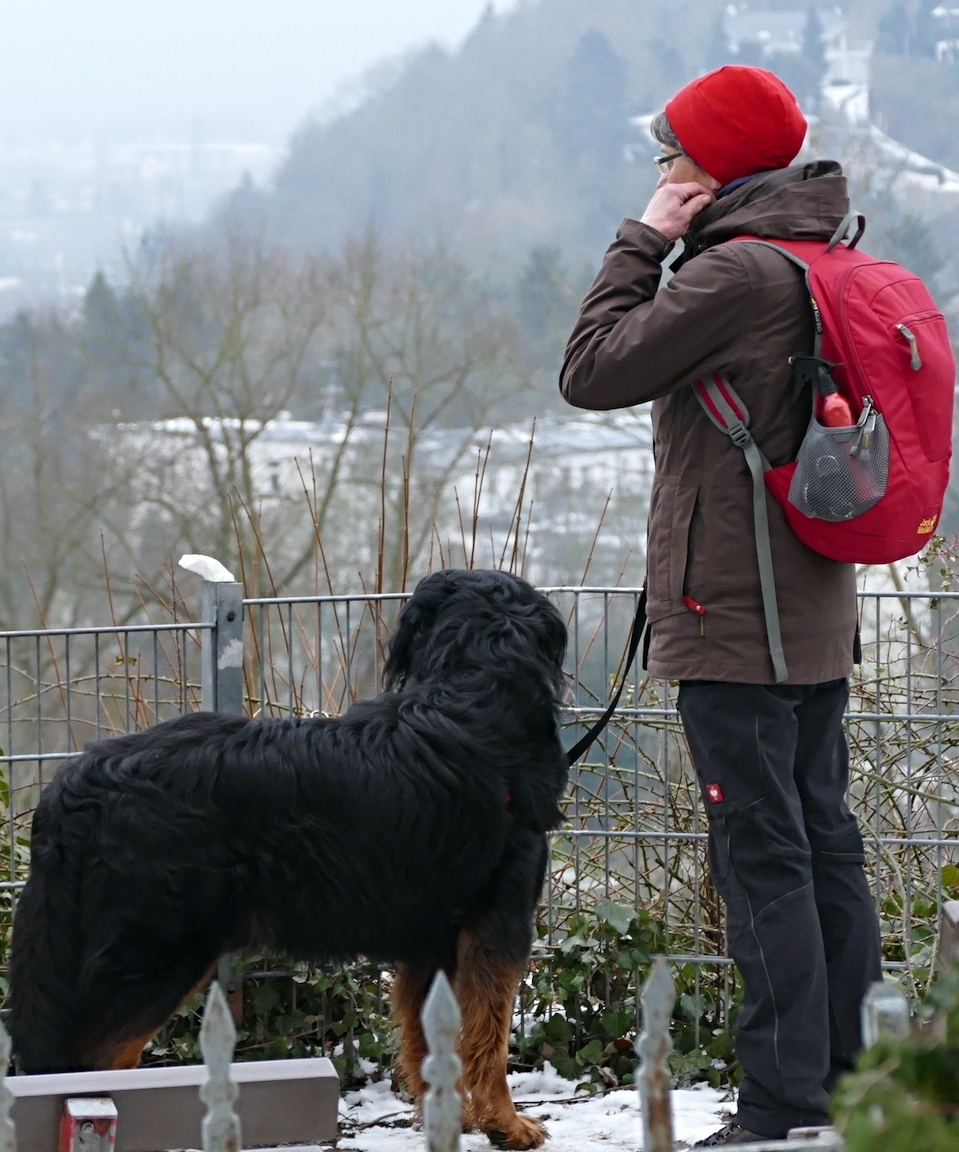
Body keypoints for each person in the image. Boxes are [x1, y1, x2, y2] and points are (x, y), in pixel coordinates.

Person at [559, 66, 883, 1146]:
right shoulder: (815, 250)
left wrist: (641, 240)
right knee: (819, 839)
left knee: (762, 856)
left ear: (714, 169)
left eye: (671, 156)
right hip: (809, 607)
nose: (659, 168)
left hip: (733, 617)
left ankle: (782, 1102)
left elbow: (592, 368)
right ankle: (843, 1080)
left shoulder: (733, 272)